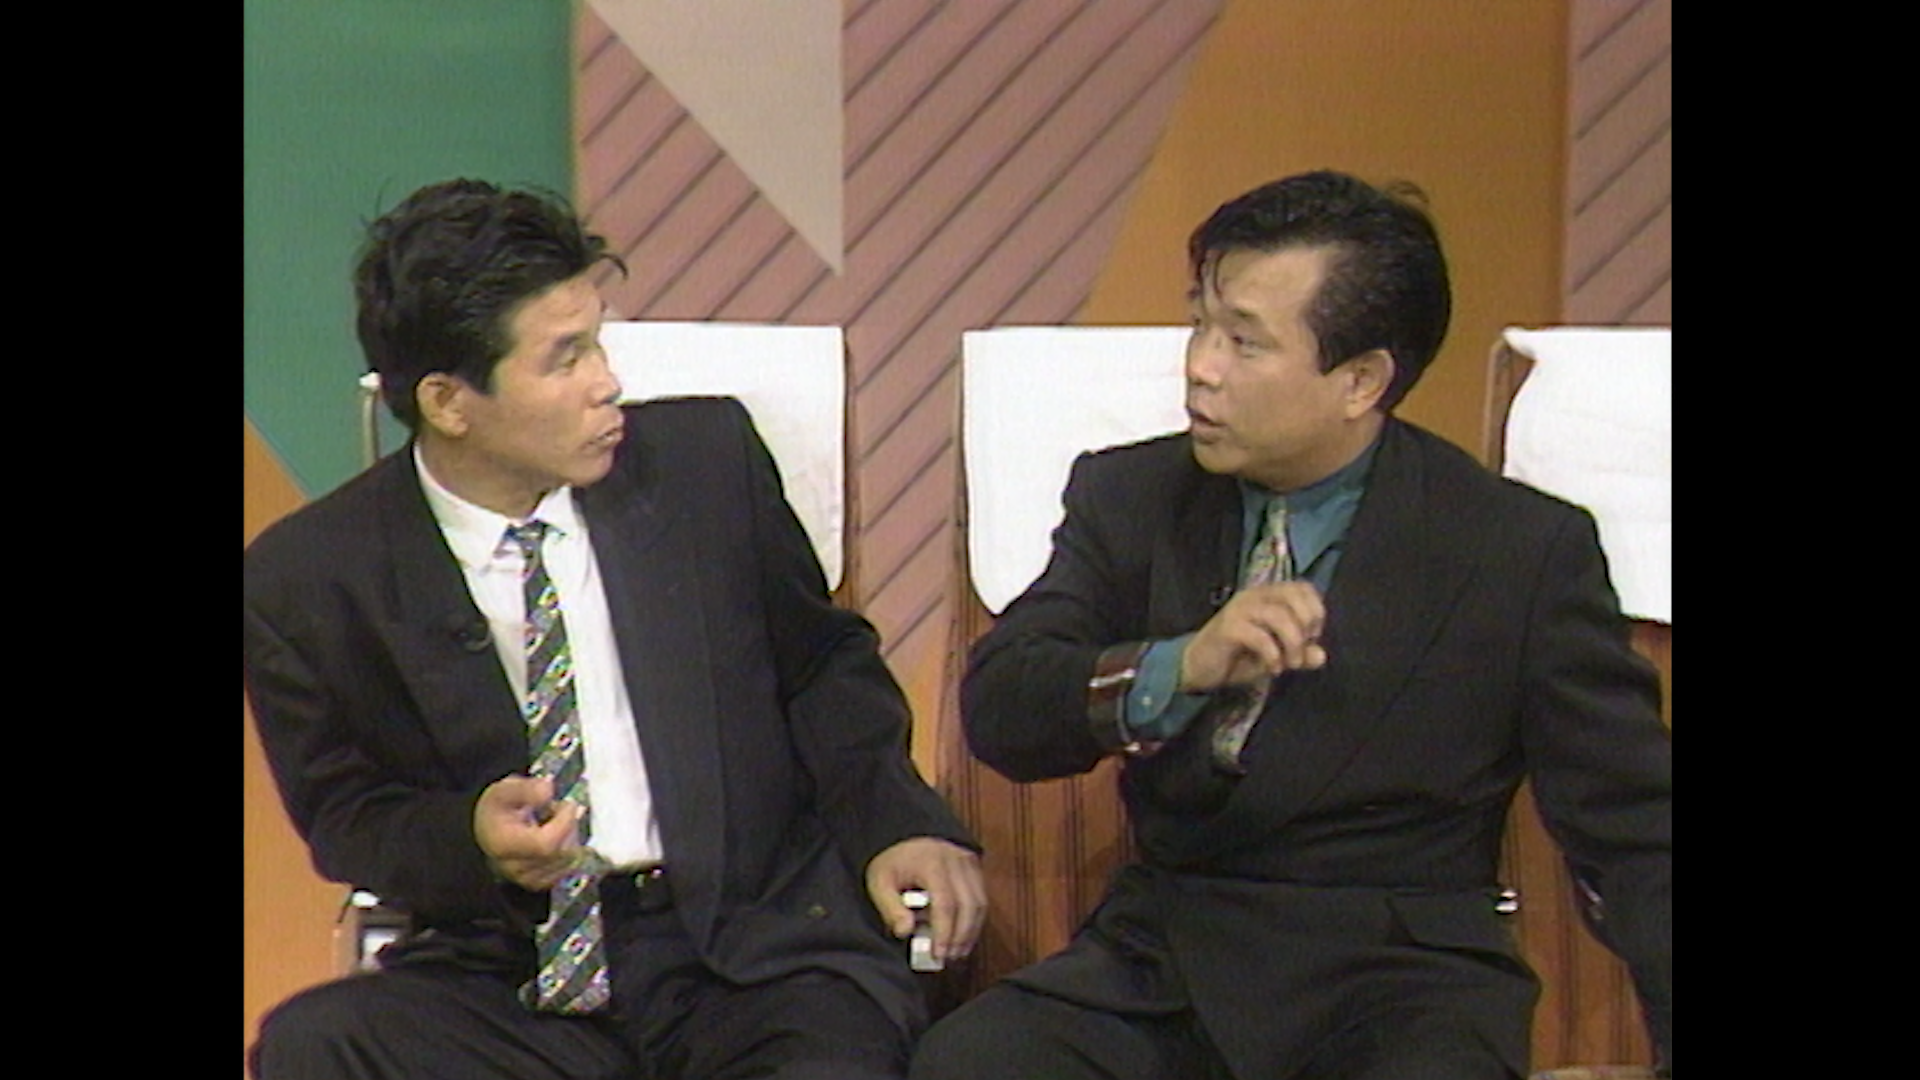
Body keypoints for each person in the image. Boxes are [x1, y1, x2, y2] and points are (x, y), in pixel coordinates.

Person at [911, 170, 1671, 1080]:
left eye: (1244, 341)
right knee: (971, 1064)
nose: (1201, 366)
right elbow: (1004, 706)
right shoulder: (1131, 495)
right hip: (1169, 959)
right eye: (1201, 323)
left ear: (1360, 380)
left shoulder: (1515, 550)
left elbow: (1633, 825)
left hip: (1402, 981)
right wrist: (1179, 666)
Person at [244, 178, 986, 1080]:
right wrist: (472, 837)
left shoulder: (704, 464)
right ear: (447, 402)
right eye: (565, 360)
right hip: (510, 976)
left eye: (598, 341)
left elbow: (823, 666)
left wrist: (900, 823)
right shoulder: (310, 579)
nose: (608, 384)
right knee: (314, 1047)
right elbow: (349, 816)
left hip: (753, 959)